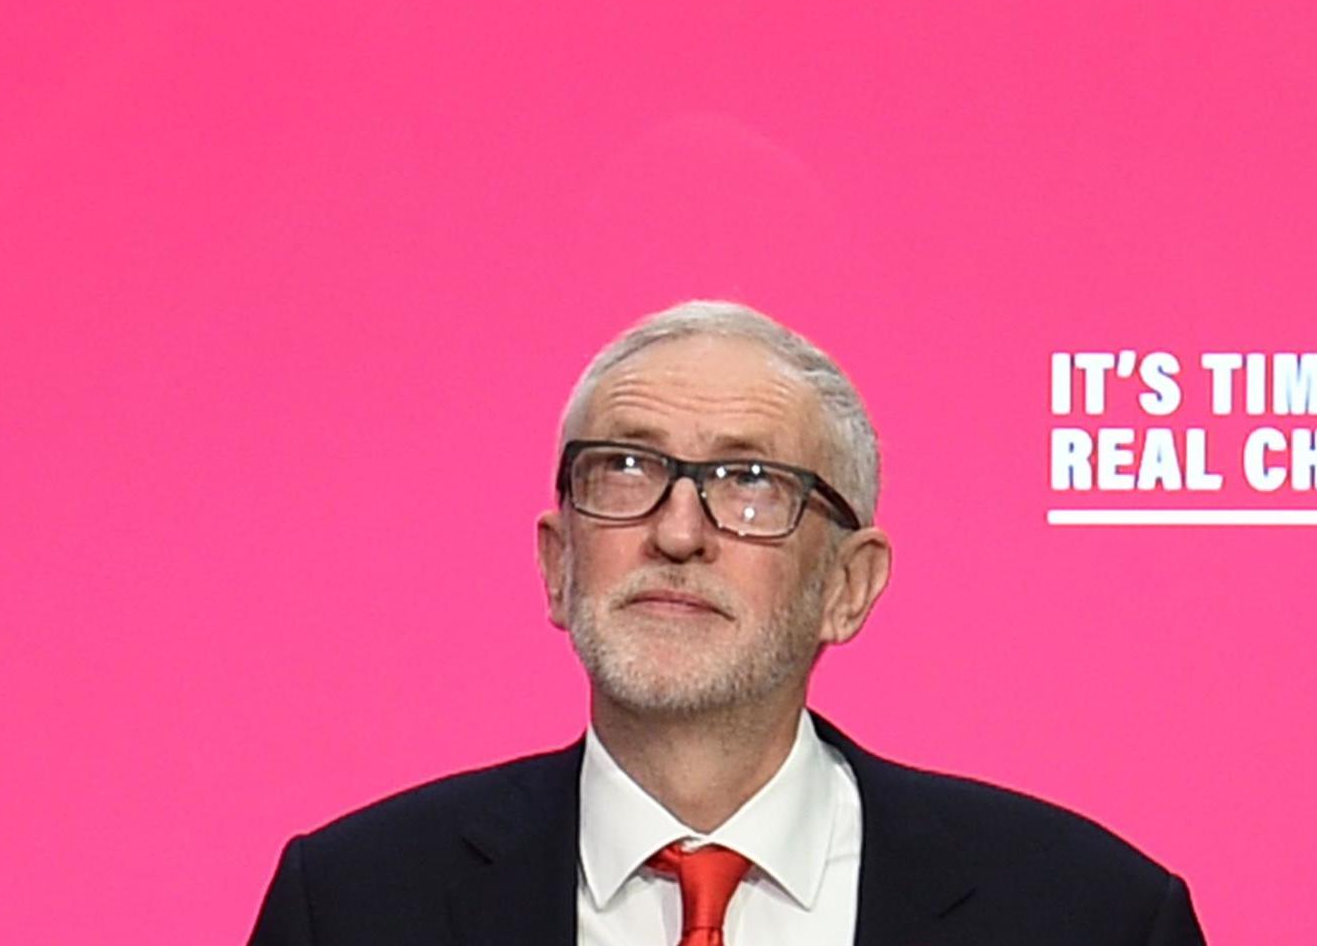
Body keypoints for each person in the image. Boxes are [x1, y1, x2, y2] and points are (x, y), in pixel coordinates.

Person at [247, 299, 1207, 945]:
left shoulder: (1091, 917)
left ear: (850, 583)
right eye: (625, 469)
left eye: (749, 483)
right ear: (557, 561)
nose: (676, 531)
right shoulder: (351, 906)